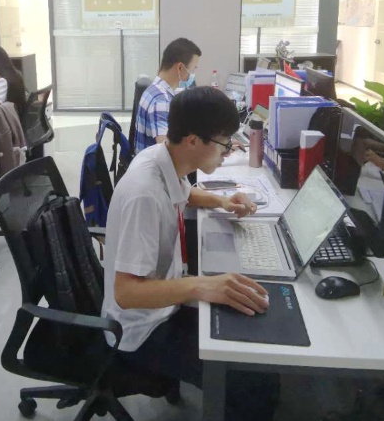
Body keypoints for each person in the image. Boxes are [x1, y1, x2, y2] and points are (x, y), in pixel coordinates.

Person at [102, 86, 279, 421]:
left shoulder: (161, 158)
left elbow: (186, 193)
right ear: (194, 141)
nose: (228, 151)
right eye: (224, 143)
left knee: (251, 342)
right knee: (248, 379)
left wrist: (224, 201)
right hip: (142, 329)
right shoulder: (144, 194)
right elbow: (125, 293)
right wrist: (201, 286)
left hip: (164, 303)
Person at [134, 38, 202, 154]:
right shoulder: (160, 100)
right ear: (180, 68)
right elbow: (168, 151)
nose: (192, 75)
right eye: (193, 69)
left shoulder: (154, 89)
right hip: (157, 165)